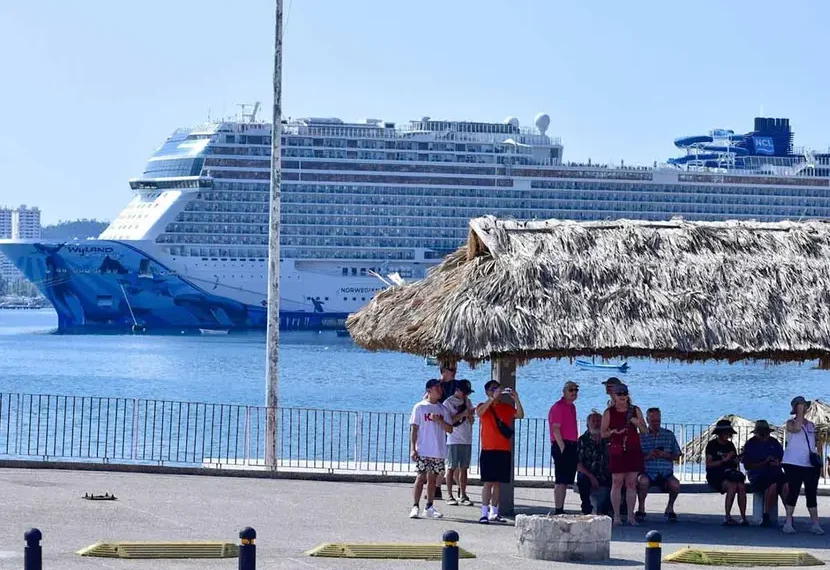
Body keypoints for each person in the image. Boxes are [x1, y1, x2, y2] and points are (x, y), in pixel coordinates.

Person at [476, 379, 524, 524]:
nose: (496, 391)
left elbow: (520, 415)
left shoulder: (506, 407)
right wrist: (491, 399)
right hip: (488, 449)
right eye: (492, 389)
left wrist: (516, 398)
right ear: (487, 392)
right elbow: (479, 413)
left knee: (498, 483)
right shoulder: (483, 406)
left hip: (503, 449)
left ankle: (494, 512)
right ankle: (484, 513)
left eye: (497, 388)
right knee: (488, 483)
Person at [601, 383, 646, 526]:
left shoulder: (635, 410)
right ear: (614, 396)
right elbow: (603, 433)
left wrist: (637, 423)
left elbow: (645, 431)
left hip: (633, 449)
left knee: (631, 483)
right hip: (617, 450)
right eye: (619, 394)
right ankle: (617, 516)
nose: (622, 397)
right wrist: (613, 432)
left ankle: (631, 516)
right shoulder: (609, 412)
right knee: (617, 482)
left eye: (624, 394)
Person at [408, 379, 453, 519]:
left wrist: (439, 421)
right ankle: (415, 506)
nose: (440, 391)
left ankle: (429, 506)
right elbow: (414, 428)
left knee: (432, 480)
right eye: (437, 388)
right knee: (421, 477)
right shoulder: (420, 407)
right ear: (429, 390)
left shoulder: (442, 409)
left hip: (438, 450)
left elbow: (450, 429)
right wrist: (413, 448)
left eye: (440, 388)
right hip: (423, 449)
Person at [781, 396, 824, 535]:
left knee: (811, 493)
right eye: (800, 405)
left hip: (809, 465)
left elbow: (814, 444)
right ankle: (788, 522)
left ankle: (815, 523)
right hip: (793, 463)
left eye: (804, 405)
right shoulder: (790, 423)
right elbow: (797, 427)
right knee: (793, 491)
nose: (803, 407)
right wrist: (799, 412)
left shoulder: (811, 425)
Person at [637, 407, 682, 522]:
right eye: (653, 421)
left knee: (675, 485)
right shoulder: (640, 436)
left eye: (658, 421)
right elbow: (634, 458)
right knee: (642, 481)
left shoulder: (669, 435)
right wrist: (648, 456)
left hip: (665, 473)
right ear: (647, 420)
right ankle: (641, 508)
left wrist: (665, 455)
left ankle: (670, 507)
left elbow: (677, 455)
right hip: (647, 472)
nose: (656, 423)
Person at [742, 419, 788, 527]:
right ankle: (766, 515)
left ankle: (789, 515)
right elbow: (747, 465)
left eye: (766, 433)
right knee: (773, 485)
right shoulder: (750, 444)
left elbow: (782, 459)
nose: (764, 436)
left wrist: (777, 462)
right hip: (758, 475)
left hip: (776, 472)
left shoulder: (774, 442)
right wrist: (764, 463)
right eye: (762, 433)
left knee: (786, 485)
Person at [705, 419, 748, 526]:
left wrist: (737, 459)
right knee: (732, 486)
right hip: (715, 474)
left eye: (728, 433)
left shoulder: (730, 445)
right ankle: (727, 516)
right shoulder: (712, 445)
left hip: (730, 473)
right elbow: (709, 464)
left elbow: (733, 463)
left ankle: (743, 517)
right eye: (725, 433)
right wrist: (723, 461)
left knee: (741, 487)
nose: (727, 435)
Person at [548, 380, 580, 515]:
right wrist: (563, 448)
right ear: (564, 392)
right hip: (562, 444)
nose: (574, 393)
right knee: (560, 479)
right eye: (571, 390)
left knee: (566, 480)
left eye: (575, 390)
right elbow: (556, 429)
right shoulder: (558, 407)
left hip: (572, 443)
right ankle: (558, 508)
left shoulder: (572, 407)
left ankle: (561, 507)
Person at [443, 379, 475, 506]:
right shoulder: (448, 403)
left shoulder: (468, 401)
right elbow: (449, 421)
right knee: (451, 467)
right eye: (464, 392)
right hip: (453, 439)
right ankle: (450, 495)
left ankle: (463, 494)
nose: (466, 395)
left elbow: (472, 421)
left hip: (467, 438)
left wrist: (470, 415)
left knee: (464, 468)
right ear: (457, 390)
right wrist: (462, 414)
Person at [576, 411, 611, 515]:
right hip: (588, 474)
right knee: (582, 478)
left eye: (599, 421)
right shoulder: (582, 440)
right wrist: (591, 477)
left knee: (618, 478)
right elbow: (578, 464)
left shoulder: (608, 439)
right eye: (593, 421)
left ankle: (610, 509)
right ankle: (586, 507)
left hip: (605, 473)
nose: (596, 423)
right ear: (588, 425)